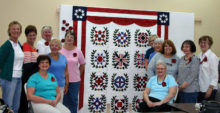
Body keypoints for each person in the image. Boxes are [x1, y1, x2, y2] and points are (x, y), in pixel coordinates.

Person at [0, 21, 24, 113]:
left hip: (18, 78)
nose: (16, 31)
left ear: (20, 31)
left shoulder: (19, 45)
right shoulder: (7, 45)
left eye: (18, 29)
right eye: (13, 29)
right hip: (9, 79)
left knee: (16, 106)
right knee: (8, 106)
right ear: (9, 31)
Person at [60, 31, 85, 113]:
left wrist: (78, 75)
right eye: (68, 36)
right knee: (63, 101)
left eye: (71, 37)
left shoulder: (78, 51)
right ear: (65, 38)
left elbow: (82, 64)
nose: (69, 38)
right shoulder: (60, 50)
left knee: (73, 101)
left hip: (75, 81)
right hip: (62, 80)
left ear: (74, 39)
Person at [19, 25, 39, 113]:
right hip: (27, 79)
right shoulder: (26, 46)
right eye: (30, 35)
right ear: (26, 36)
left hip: (32, 78)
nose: (32, 37)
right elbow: (27, 66)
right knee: (24, 102)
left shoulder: (34, 48)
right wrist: (38, 66)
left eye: (34, 35)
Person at [197, 35, 219, 102]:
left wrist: (210, 89)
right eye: (201, 42)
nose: (202, 44)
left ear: (209, 45)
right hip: (200, 88)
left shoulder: (212, 57)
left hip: (209, 88)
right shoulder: (199, 55)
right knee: (199, 108)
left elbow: (215, 75)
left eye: (205, 43)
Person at [48, 39, 69, 103]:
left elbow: (66, 72)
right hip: (49, 86)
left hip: (61, 86)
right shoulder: (46, 57)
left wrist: (67, 85)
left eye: (56, 45)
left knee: (59, 106)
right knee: (50, 106)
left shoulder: (63, 57)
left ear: (59, 47)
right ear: (50, 46)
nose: (54, 47)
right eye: (52, 45)